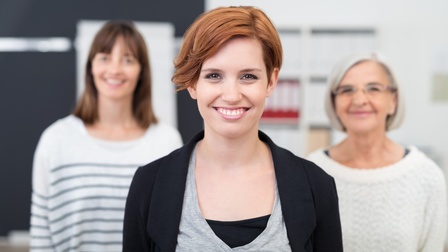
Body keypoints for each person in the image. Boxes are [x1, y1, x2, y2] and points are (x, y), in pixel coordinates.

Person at [123, 6, 342, 252]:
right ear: (193, 83)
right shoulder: (149, 185)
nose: (231, 95)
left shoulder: (317, 186)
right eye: (214, 76)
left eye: (248, 76)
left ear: (271, 81)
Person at [29, 20, 183, 252]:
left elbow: (172, 231)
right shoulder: (56, 140)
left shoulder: (166, 142)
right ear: (90, 66)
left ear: (142, 71)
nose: (114, 69)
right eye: (104, 57)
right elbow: (41, 233)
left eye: (128, 59)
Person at [307, 51, 447, 251]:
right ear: (334, 102)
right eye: (347, 90)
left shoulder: (426, 176)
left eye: (373, 88)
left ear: (393, 101)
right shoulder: (311, 172)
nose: (359, 99)